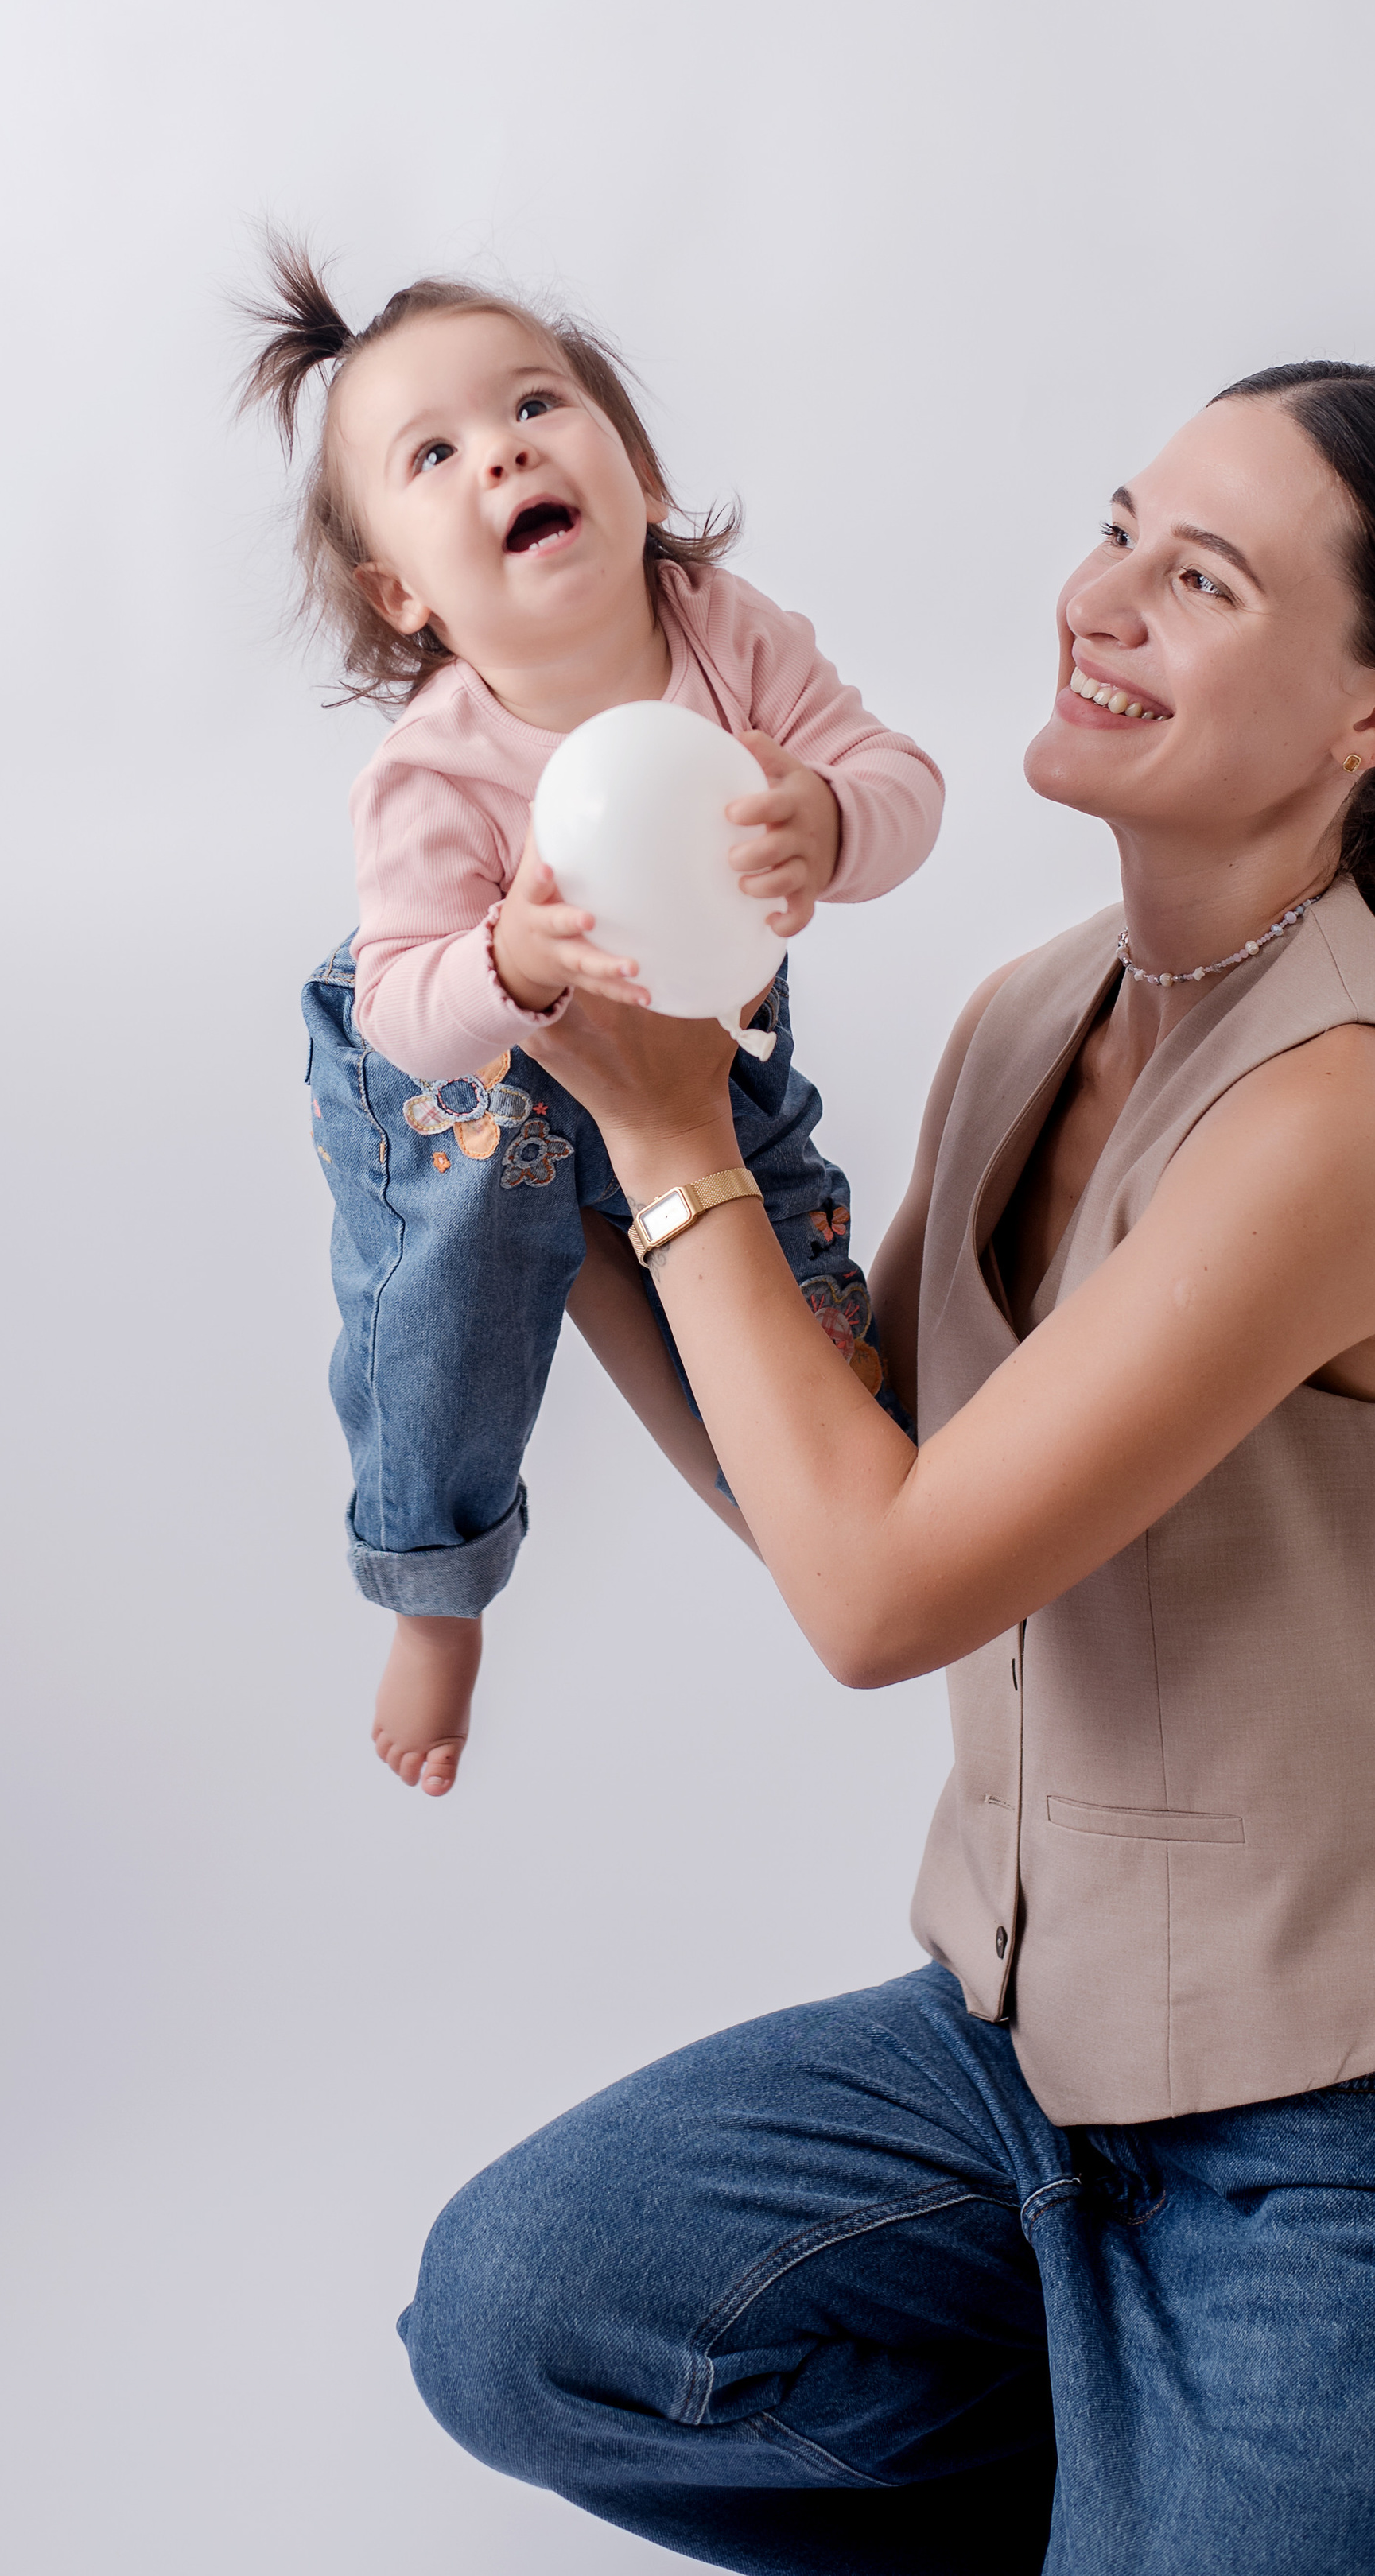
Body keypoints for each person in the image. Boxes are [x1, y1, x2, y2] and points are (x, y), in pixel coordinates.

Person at [396, 363, 1375, 2571]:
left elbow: (883, 1594)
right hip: (1030, 2059)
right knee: (519, 2313)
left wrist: (671, 1133)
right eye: (1122, 525)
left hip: (1351, 2137)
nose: (1098, 599)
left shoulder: (1357, 1114)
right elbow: (855, 1469)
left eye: (1199, 580)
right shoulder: (1040, 1008)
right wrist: (544, 1145)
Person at [240, 247, 942, 1794]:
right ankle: (433, 1575)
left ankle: (765, 1421)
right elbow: (406, 1008)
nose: (500, 449)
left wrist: (828, 816)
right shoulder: (431, 771)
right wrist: (503, 953)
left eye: (534, 405)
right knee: (450, 1294)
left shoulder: (726, 635)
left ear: (632, 465)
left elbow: (905, 787)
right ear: (399, 591)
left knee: (810, 1378)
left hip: (701, 1040)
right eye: (432, 455)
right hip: (469, 1080)